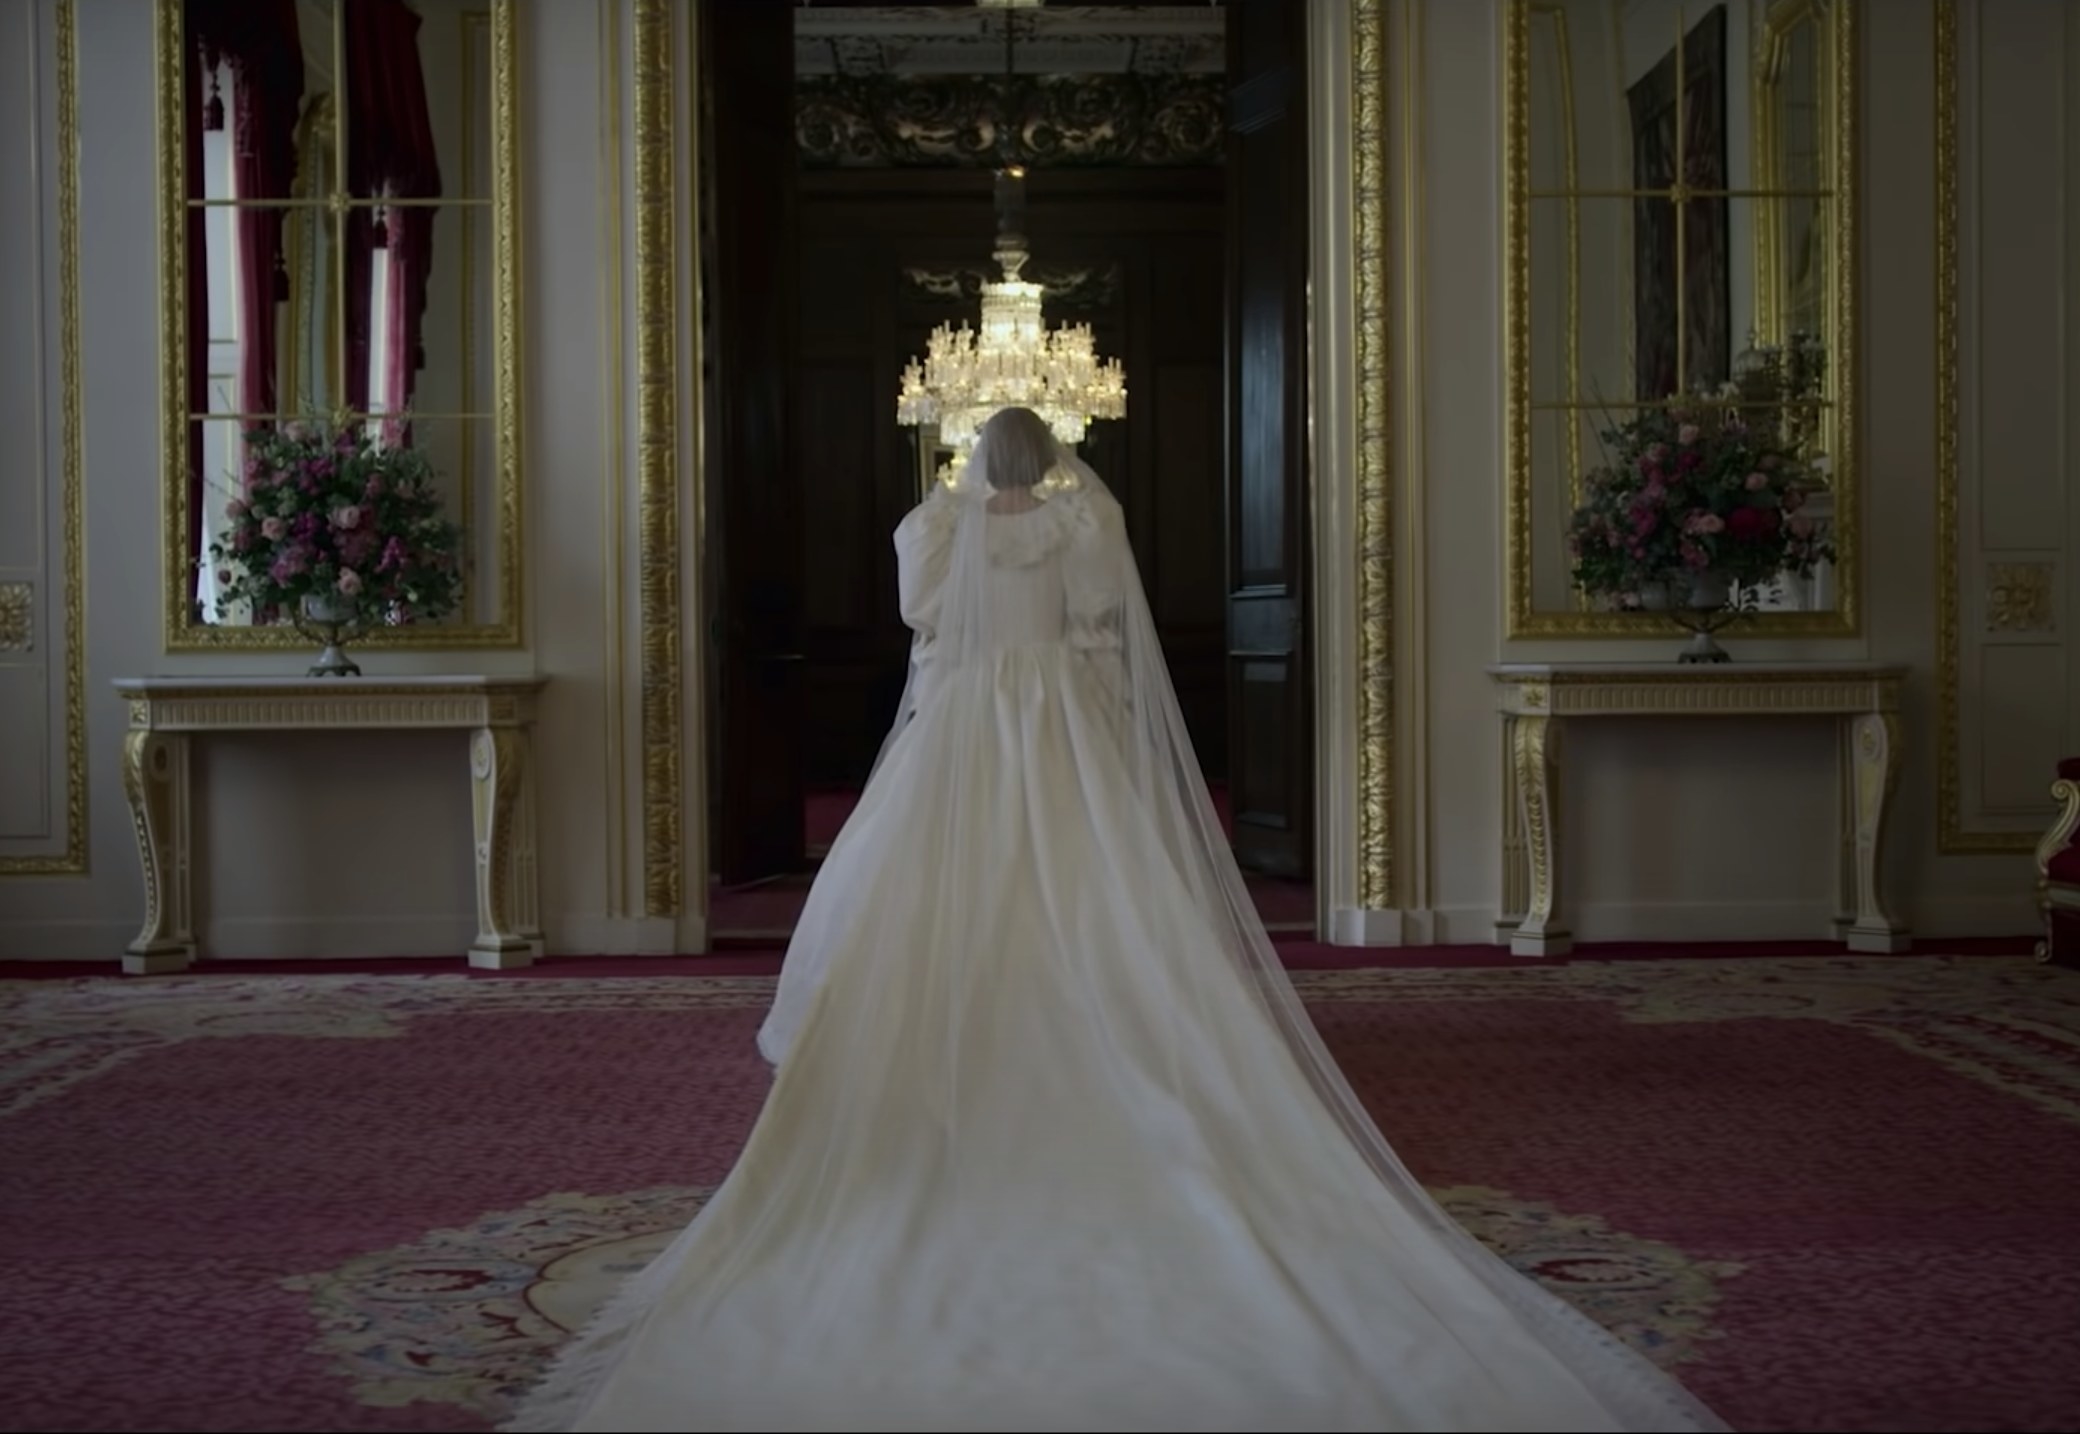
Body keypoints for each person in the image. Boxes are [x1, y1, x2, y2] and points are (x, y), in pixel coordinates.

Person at [505, 407, 1728, 1433]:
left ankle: (966, 1049)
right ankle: (1099, 1034)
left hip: (970, 724)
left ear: (975, 461)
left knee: (930, 884)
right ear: (1053, 461)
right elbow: (1100, 644)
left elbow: (926, 633)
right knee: (1095, 890)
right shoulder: (1091, 527)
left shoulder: (927, 530)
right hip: (1058, 724)